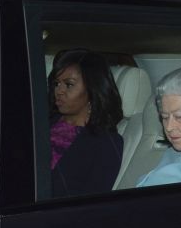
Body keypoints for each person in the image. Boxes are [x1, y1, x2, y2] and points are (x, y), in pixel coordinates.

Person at [48, 49, 124, 196]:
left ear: (92, 88)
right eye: (56, 84)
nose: (59, 91)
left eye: (69, 85)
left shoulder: (105, 143)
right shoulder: (41, 123)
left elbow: (90, 205)